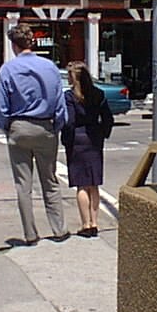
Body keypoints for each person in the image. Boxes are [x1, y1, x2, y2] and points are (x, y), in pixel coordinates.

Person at [0, 23, 70, 246]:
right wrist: (56, 126)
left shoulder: (7, 69)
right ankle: (59, 229)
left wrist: (7, 127)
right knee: (50, 180)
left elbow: (0, 107)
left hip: (19, 126)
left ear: (14, 45)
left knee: (23, 184)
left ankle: (30, 234)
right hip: (45, 126)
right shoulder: (49, 67)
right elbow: (60, 102)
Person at [61, 61, 114, 238]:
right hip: (94, 138)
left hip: (77, 139)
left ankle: (86, 224)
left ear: (72, 78)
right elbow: (108, 118)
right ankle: (95, 222)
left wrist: (66, 139)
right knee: (93, 183)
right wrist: (103, 133)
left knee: (81, 185)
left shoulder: (70, 96)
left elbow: (69, 122)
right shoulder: (98, 94)